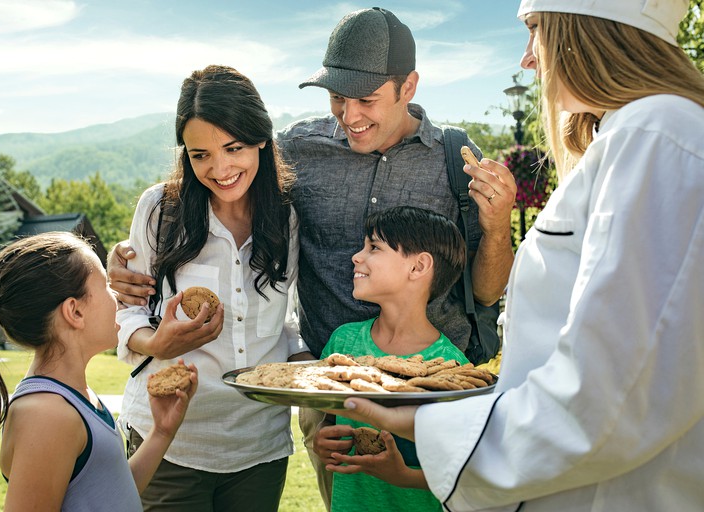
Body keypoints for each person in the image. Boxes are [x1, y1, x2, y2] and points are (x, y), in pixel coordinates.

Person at [107, 10, 516, 508]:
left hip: (431, 390)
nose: (349, 115)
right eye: (338, 98)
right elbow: (219, 169)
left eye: (366, 99)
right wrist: (128, 267)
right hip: (327, 391)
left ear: (408, 85)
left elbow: (487, 291)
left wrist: (497, 228)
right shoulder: (297, 150)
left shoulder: (455, 157)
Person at [329, 0, 704, 510]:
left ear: (588, 33)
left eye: (535, 31)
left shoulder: (656, 135)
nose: (528, 59)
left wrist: (426, 419)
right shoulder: (633, 135)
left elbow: (608, 402)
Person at [115, 64, 304, 511]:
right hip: (170, 442)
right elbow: (129, 309)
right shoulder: (160, 209)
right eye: (200, 155)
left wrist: (314, 372)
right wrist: (155, 341)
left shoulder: (286, 217)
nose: (219, 168)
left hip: (259, 445)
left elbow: (286, 318)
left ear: (261, 138)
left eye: (233, 147)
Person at [0, 232, 197, 511]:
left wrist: (161, 432)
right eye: (107, 288)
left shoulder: (74, 397)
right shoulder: (46, 416)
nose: (118, 300)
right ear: (75, 312)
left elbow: (111, 495)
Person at [313, 206, 469, 512]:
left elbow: (463, 469)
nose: (357, 256)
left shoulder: (452, 368)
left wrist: (403, 476)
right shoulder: (342, 342)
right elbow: (329, 419)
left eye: (374, 247)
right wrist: (323, 441)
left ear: (418, 267)